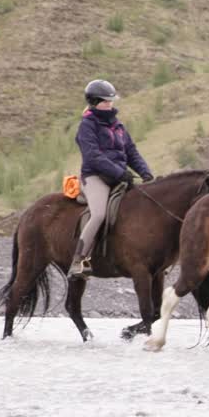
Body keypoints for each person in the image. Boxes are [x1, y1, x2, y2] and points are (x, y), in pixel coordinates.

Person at [70, 79, 153, 278]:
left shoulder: (118, 126)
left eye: (111, 100)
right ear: (94, 101)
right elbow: (93, 156)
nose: (110, 104)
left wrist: (146, 173)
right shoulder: (87, 126)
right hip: (95, 177)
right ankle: (79, 260)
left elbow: (131, 152)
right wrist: (119, 172)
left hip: (119, 176)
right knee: (99, 214)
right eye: (106, 101)